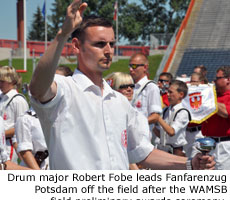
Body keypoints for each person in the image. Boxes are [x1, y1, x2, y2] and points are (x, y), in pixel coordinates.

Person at [29, 0, 214, 170]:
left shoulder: (119, 101)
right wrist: (63, 34)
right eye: (100, 44)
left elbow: (143, 153)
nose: (109, 50)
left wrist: (191, 163)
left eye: (111, 43)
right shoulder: (65, 89)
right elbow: (38, 88)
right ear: (76, 46)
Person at [201, 65, 230, 169]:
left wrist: (208, 99)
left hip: (225, 145)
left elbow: (226, 112)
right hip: (209, 143)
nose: (214, 80)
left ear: (228, 79)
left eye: (218, 78)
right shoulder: (214, 95)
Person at [153, 80, 191, 157]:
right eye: (167, 92)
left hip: (176, 152)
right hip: (163, 149)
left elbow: (171, 132)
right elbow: (160, 133)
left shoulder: (183, 112)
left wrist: (158, 118)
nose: (167, 94)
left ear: (181, 94)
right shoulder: (165, 110)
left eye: (171, 92)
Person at [0, 66, 29, 163]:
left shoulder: (18, 100)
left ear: (11, 81)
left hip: (10, 146)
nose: (0, 84)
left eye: (2, 81)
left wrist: (2, 133)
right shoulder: (2, 97)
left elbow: (22, 127)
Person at [129, 53, 162, 130]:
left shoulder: (151, 87)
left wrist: (135, 124)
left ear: (145, 67)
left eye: (134, 66)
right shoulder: (129, 86)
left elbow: (155, 116)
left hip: (142, 137)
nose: (131, 69)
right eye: (130, 66)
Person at [185, 73, 206, 157]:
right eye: (191, 81)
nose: (191, 84)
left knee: (196, 158)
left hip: (199, 131)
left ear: (201, 82)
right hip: (187, 131)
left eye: (194, 82)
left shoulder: (206, 95)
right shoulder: (186, 93)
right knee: (187, 159)